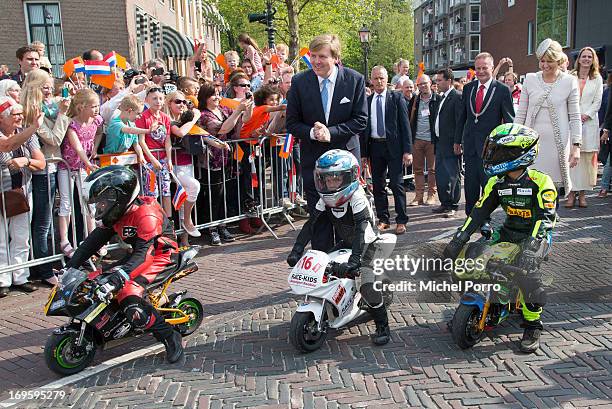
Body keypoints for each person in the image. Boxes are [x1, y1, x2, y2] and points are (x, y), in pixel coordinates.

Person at [443, 123, 557, 353]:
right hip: (507, 232)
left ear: (519, 154)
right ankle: (484, 302)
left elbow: (545, 219)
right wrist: (458, 240)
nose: (492, 155)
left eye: (498, 151)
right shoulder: (497, 182)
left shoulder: (541, 182)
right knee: (471, 257)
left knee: (529, 276)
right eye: (491, 150)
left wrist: (532, 247)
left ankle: (532, 325)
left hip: (535, 236)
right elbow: (478, 213)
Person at [65, 165, 184, 363]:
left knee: (129, 296)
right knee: (94, 280)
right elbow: (92, 243)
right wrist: (71, 267)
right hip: (138, 255)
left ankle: (169, 336)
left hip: (162, 257)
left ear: (118, 197)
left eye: (102, 201)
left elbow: (145, 255)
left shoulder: (146, 215)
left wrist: (119, 277)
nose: (99, 206)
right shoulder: (118, 213)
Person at [286, 149, 391, 345]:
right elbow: (312, 223)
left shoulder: (357, 196)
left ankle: (383, 325)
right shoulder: (325, 198)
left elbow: (362, 230)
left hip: (368, 245)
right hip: (347, 243)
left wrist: (355, 261)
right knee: (323, 268)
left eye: (335, 179)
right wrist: (297, 250)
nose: (330, 183)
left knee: (366, 284)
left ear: (350, 176)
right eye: (326, 179)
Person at [286, 34, 368, 252]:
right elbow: (292, 123)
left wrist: (331, 132)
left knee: (349, 222)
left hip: (346, 166)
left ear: (336, 58)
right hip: (314, 164)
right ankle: (323, 273)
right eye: (312, 56)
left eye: (321, 56)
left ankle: (352, 271)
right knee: (319, 220)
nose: (316, 61)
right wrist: (313, 132)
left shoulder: (354, 80)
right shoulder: (299, 82)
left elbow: (361, 120)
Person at [514, 39, 581, 199]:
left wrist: (576, 146)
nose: (545, 65)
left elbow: (575, 117)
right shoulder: (530, 79)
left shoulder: (569, 81)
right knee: (530, 188)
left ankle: (548, 221)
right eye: (542, 61)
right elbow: (521, 113)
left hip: (557, 145)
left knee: (551, 191)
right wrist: (515, 140)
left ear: (558, 61)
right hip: (531, 143)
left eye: (549, 61)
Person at [22, 69, 70, 285]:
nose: (50, 90)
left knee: (47, 220)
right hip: (41, 170)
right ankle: (43, 269)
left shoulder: (49, 108)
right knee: (42, 222)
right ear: (35, 89)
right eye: (45, 86)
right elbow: (54, 139)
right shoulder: (33, 112)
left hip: (52, 166)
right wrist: (62, 114)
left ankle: (48, 264)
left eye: (51, 85)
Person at [456, 52, 515, 229]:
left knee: (488, 185)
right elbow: (462, 117)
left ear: (492, 67)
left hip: (491, 148)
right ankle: (470, 217)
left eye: (484, 68)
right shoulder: (469, 88)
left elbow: (509, 121)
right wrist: (457, 140)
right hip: (471, 146)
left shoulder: (502, 90)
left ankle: (485, 219)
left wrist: (506, 145)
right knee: (471, 185)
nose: (481, 71)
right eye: (478, 68)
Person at [0, 96, 46, 297]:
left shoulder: (27, 133)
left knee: (21, 237)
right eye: (14, 114)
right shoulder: (24, 132)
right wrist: (34, 127)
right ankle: (2, 279)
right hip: (1, 192)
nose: (19, 117)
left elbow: (41, 163)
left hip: (21, 191)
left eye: (20, 113)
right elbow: (7, 145)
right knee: (1, 239)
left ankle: (20, 276)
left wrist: (26, 161)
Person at [360, 66, 412, 234]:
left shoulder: (396, 97)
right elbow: (364, 129)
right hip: (375, 146)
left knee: (397, 185)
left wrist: (407, 150)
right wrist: (363, 154)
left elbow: (405, 125)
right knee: (378, 185)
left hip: (394, 147)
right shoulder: (367, 101)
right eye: (375, 78)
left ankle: (401, 220)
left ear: (387, 78)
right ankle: (383, 219)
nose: (379, 81)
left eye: (381, 78)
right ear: (371, 80)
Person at [198, 81, 250, 239]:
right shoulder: (203, 115)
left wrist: (248, 107)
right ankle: (212, 228)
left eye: (219, 93)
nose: (217, 97)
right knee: (215, 195)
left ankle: (223, 225)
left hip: (228, 158)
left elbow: (240, 125)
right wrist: (237, 112)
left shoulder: (224, 109)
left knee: (225, 194)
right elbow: (222, 129)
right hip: (211, 160)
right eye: (213, 94)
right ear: (205, 96)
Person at [58, 88, 102, 258]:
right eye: (93, 106)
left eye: (97, 105)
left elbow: (98, 133)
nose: (96, 109)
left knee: (89, 202)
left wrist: (95, 148)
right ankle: (64, 240)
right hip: (67, 167)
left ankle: (93, 238)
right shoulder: (72, 124)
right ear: (81, 107)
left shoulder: (96, 121)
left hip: (83, 167)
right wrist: (88, 162)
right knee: (66, 203)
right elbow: (76, 146)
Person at [163, 90, 205, 244]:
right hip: (174, 165)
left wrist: (219, 144)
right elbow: (180, 133)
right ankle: (187, 221)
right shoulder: (168, 120)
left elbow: (201, 134)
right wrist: (194, 118)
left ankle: (185, 238)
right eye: (177, 102)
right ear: (169, 103)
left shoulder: (185, 119)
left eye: (183, 102)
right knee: (194, 186)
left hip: (188, 162)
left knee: (186, 195)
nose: (182, 105)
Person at [568, 47, 603, 208]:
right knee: (572, 160)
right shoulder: (571, 76)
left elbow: (597, 102)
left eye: (590, 56)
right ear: (579, 58)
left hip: (588, 123)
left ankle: (582, 195)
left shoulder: (596, 78)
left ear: (593, 59)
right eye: (584, 56)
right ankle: (570, 194)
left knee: (585, 161)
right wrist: (574, 116)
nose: (586, 59)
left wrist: (585, 115)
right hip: (571, 122)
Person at [136, 87, 173, 216]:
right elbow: (142, 141)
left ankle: (169, 221)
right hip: (149, 160)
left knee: (166, 190)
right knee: (152, 192)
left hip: (163, 159)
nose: (158, 101)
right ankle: (154, 219)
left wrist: (169, 159)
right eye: (154, 98)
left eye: (160, 98)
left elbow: (168, 140)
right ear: (147, 100)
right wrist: (152, 159)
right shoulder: (143, 117)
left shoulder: (165, 118)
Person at [432, 68, 463, 218]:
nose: (437, 83)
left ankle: (453, 204)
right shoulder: (441, 97)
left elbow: (459, 121)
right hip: (440, 142)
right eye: (436, 80)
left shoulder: (456, 97)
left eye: (439, 80)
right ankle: (444, 202)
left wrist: (458, 142)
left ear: (449, 81)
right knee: (441, 175)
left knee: (453, 175)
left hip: (451, 143)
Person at [408, 74, 440, 206]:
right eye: (420, 84)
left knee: (433, 169)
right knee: (418, 169)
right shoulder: (415, 99)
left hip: (432, 140)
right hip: (417, 139)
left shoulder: (437, 99)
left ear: (430, 83)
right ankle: (418, 196)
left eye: (425, 83)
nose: (422, 86)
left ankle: (432, 195)